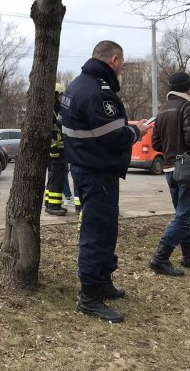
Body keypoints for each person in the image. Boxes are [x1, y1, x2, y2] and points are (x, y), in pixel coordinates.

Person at [61, 40, 151, 322]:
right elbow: (112, 137)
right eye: (121, 64)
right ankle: (89, 297)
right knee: (97, 233)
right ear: (113, 60)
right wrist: (136, 131)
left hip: (90, 168)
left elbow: (97, 130)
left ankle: (102, 281)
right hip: (96, 171)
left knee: (106, 229)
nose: (121, 69)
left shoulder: (77, 85)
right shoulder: (98, 92)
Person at [148, 72, 190, 275]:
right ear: (188, 86)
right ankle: (160, 258)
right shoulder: (188, 107)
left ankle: (189, 255)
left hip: (169, 168)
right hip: (187, 167)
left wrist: (170, 151)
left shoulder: (163, 110)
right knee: (186, 217)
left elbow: (156, 142)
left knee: (181, 214)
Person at [45, 82, 68, 216]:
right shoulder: (54, 111)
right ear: (55, 95)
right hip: (56, 150)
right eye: (60, 95)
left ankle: (49, 203)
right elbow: (58, 126)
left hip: (54, 150)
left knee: (52, 177)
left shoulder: (53, 109)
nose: (62, 98)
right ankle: (54, 206)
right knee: (57, 178)